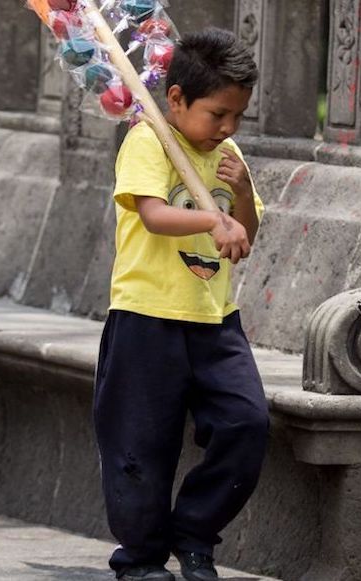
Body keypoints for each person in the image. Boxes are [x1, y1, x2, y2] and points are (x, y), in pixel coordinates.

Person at [94, 28, 269, 581]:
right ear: (176, 99)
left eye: (238, 116)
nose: (229, 128)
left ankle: (195, 533)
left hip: (215, 318)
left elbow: (248, 231)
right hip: (147, 316)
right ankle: (141, 560)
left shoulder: (229, 154)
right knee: (139, 449)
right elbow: (154, 214)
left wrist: (239, 195)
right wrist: (212, 219)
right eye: (218, 114)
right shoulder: (148, 139)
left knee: (246, 422)